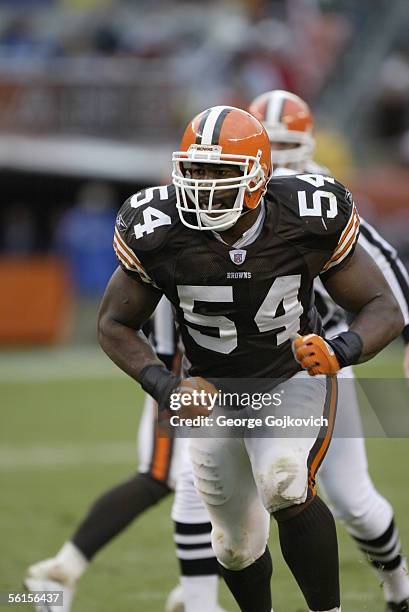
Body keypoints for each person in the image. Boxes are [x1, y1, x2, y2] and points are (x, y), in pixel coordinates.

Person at [94, 105, 402, 612]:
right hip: (212, 390)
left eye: (220, 172)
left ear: (258, 177)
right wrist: (166, 387)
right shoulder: (158, 226)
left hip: (290, 376)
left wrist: (338, 350)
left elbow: (380, 305)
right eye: (195, 170)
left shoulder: (306, 213)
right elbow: (113, 324)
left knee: (284, 480)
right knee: (234, 547)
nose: (204, 184)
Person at [248, 88, 409, 612]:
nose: (280, 152)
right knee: (216, 499)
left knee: (352, 502)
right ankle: (198, 593)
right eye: (269, 141)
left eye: (288, 142)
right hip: (243, 372)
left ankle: (401, 589)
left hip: (322, 362)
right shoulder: (228, 191)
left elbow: (384, 269)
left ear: (311, 143)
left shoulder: (323, 195)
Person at [24, 296, 225, 612]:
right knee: (165, 474)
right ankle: (62, 571)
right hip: (182, 371)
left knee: (222, 478)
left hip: (216, 365)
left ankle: (195, 591)